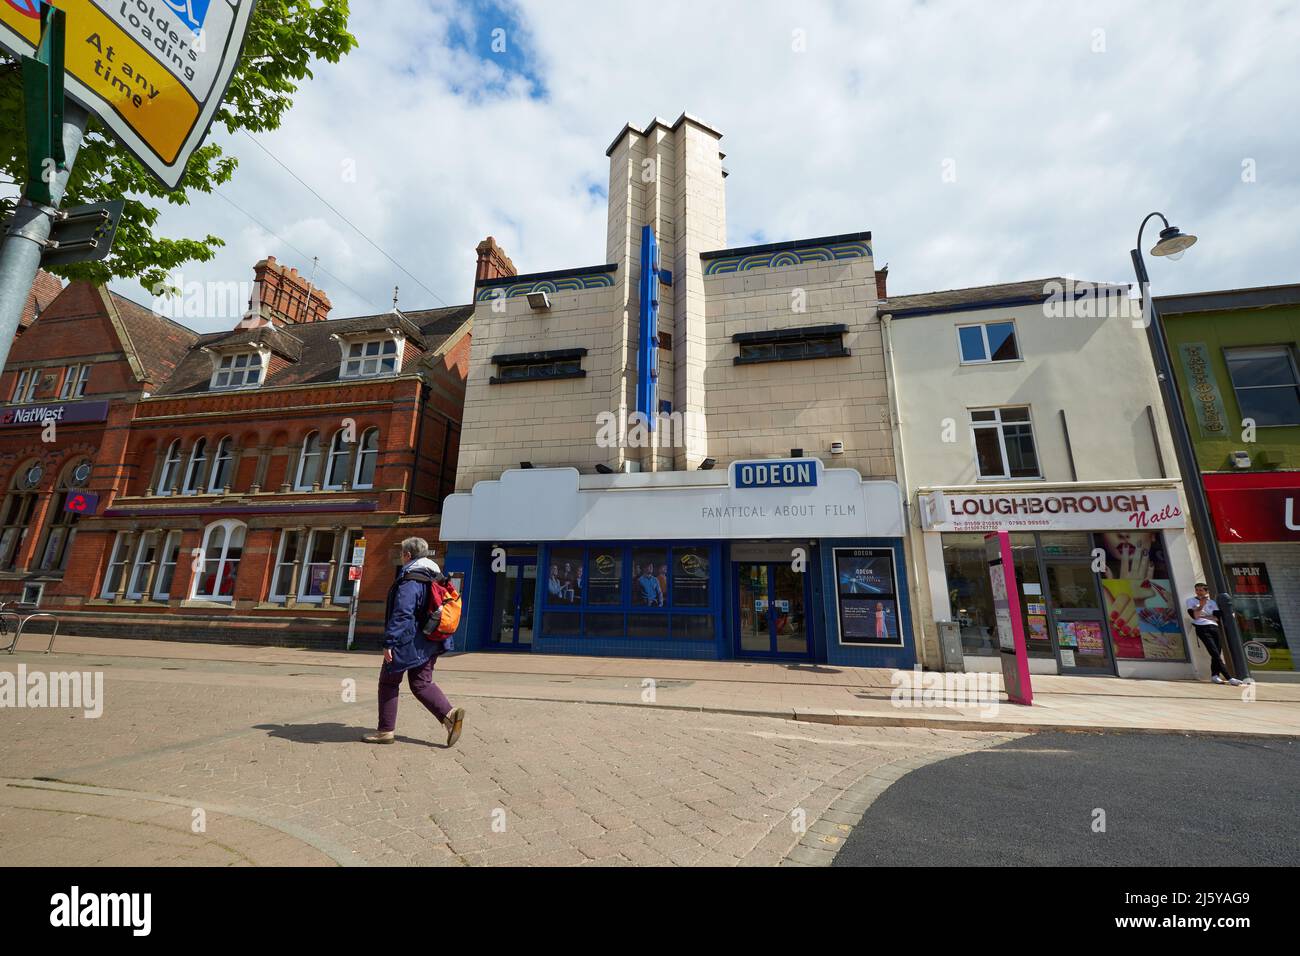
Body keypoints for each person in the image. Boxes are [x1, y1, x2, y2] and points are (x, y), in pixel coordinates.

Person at [364, 537, 467, 745]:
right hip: (433, 639)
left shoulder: (411, 579)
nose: (402, 557)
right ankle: (450, 715)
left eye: (402, 554)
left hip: (408, 641)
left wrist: (390, 642)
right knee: (421, 683)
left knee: (388, 682)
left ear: (408, 555)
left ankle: (385, 731)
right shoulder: (436, 576)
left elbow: (403, 613)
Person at [1185, 582, 1241, 686]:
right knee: (1214, 652)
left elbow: (1216, 617)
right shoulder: (1191, 601)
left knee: (1217, 652)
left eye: (1201, 590)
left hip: (1214, 627)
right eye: (1197, 590)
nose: (1199, 592)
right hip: (1202, 628)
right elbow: (1196, 616)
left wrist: (1204, 615)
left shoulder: (1212, 603)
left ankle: (1215, 675)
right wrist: (1201, 606)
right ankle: (1229, 677)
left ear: (1206, 591)